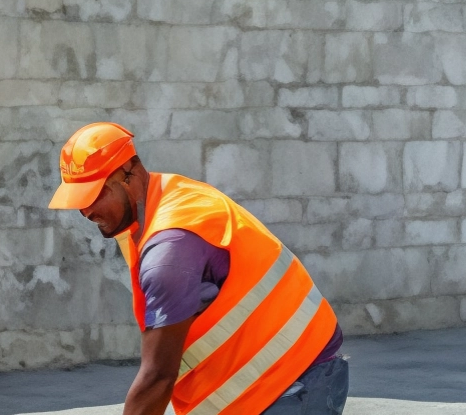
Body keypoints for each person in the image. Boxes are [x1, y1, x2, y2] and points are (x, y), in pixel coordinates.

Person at [49, 122, 347, 415]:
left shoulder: (171, 247)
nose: (86, 211)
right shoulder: (156, 203)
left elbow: (158, 377)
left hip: (292, 387)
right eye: (79, 200)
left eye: (94, 195)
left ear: (131, 175)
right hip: (276, 385)